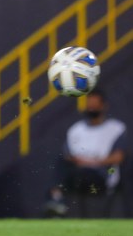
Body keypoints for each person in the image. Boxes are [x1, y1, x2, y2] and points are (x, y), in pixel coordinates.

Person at [45, 89, 127, 217]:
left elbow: (118, 157)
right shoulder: (76, 129)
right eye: (89, 105)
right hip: (78, 174)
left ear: (103, 106)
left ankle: (58, 201)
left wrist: (92, 162)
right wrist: (79, 161)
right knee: (62, 163)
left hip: (102, 176)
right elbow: (68, 156)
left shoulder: (116, 128)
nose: (92, 108)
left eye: (95, 105)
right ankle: (56, 201)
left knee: (85, 173)